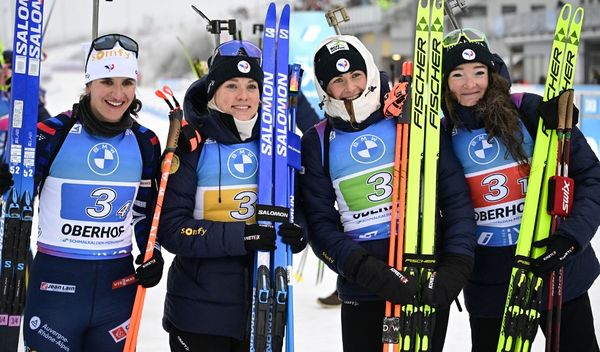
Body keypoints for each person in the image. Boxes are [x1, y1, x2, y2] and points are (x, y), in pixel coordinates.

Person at [299, 34, 477, 352]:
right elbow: (319, 223)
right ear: (324, 88)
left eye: (356, 75)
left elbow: (455, 200)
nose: (351, 87)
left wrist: (456, 265)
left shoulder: (409, 120)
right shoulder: (318, 140)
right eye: (338, 81)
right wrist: (364, 269)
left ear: (369, 71)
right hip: (362, 287)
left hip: (424, 279)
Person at [0, 34, 165, 351]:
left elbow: (144, 213)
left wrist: (151, 254)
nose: (118, 94)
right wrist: (7, 179)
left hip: (116, 289)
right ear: (89, 84)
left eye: (126, 82)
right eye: (107, 81)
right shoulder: (52, 134)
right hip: (55, 289)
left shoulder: (146, 143)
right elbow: (18, 200)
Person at [440, 28, 600, 351]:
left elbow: (591, 177)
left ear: (492, 72)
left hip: (556, 271)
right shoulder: (440, 135)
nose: (470, 84)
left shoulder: (527, 110)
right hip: (490, 284)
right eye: (457, 74)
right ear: (444, 82)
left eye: (478, 72)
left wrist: (570, 238)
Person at [157, 40, 306, 352]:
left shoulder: (278, 144)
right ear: (213, 91)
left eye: (252, 86)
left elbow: (295, 207)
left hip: (265, 304)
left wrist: (297, 231)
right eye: (232, 85)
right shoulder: (189, 143)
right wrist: (243, 236)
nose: (244, 96)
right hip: (199, 314)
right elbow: (172, 229)